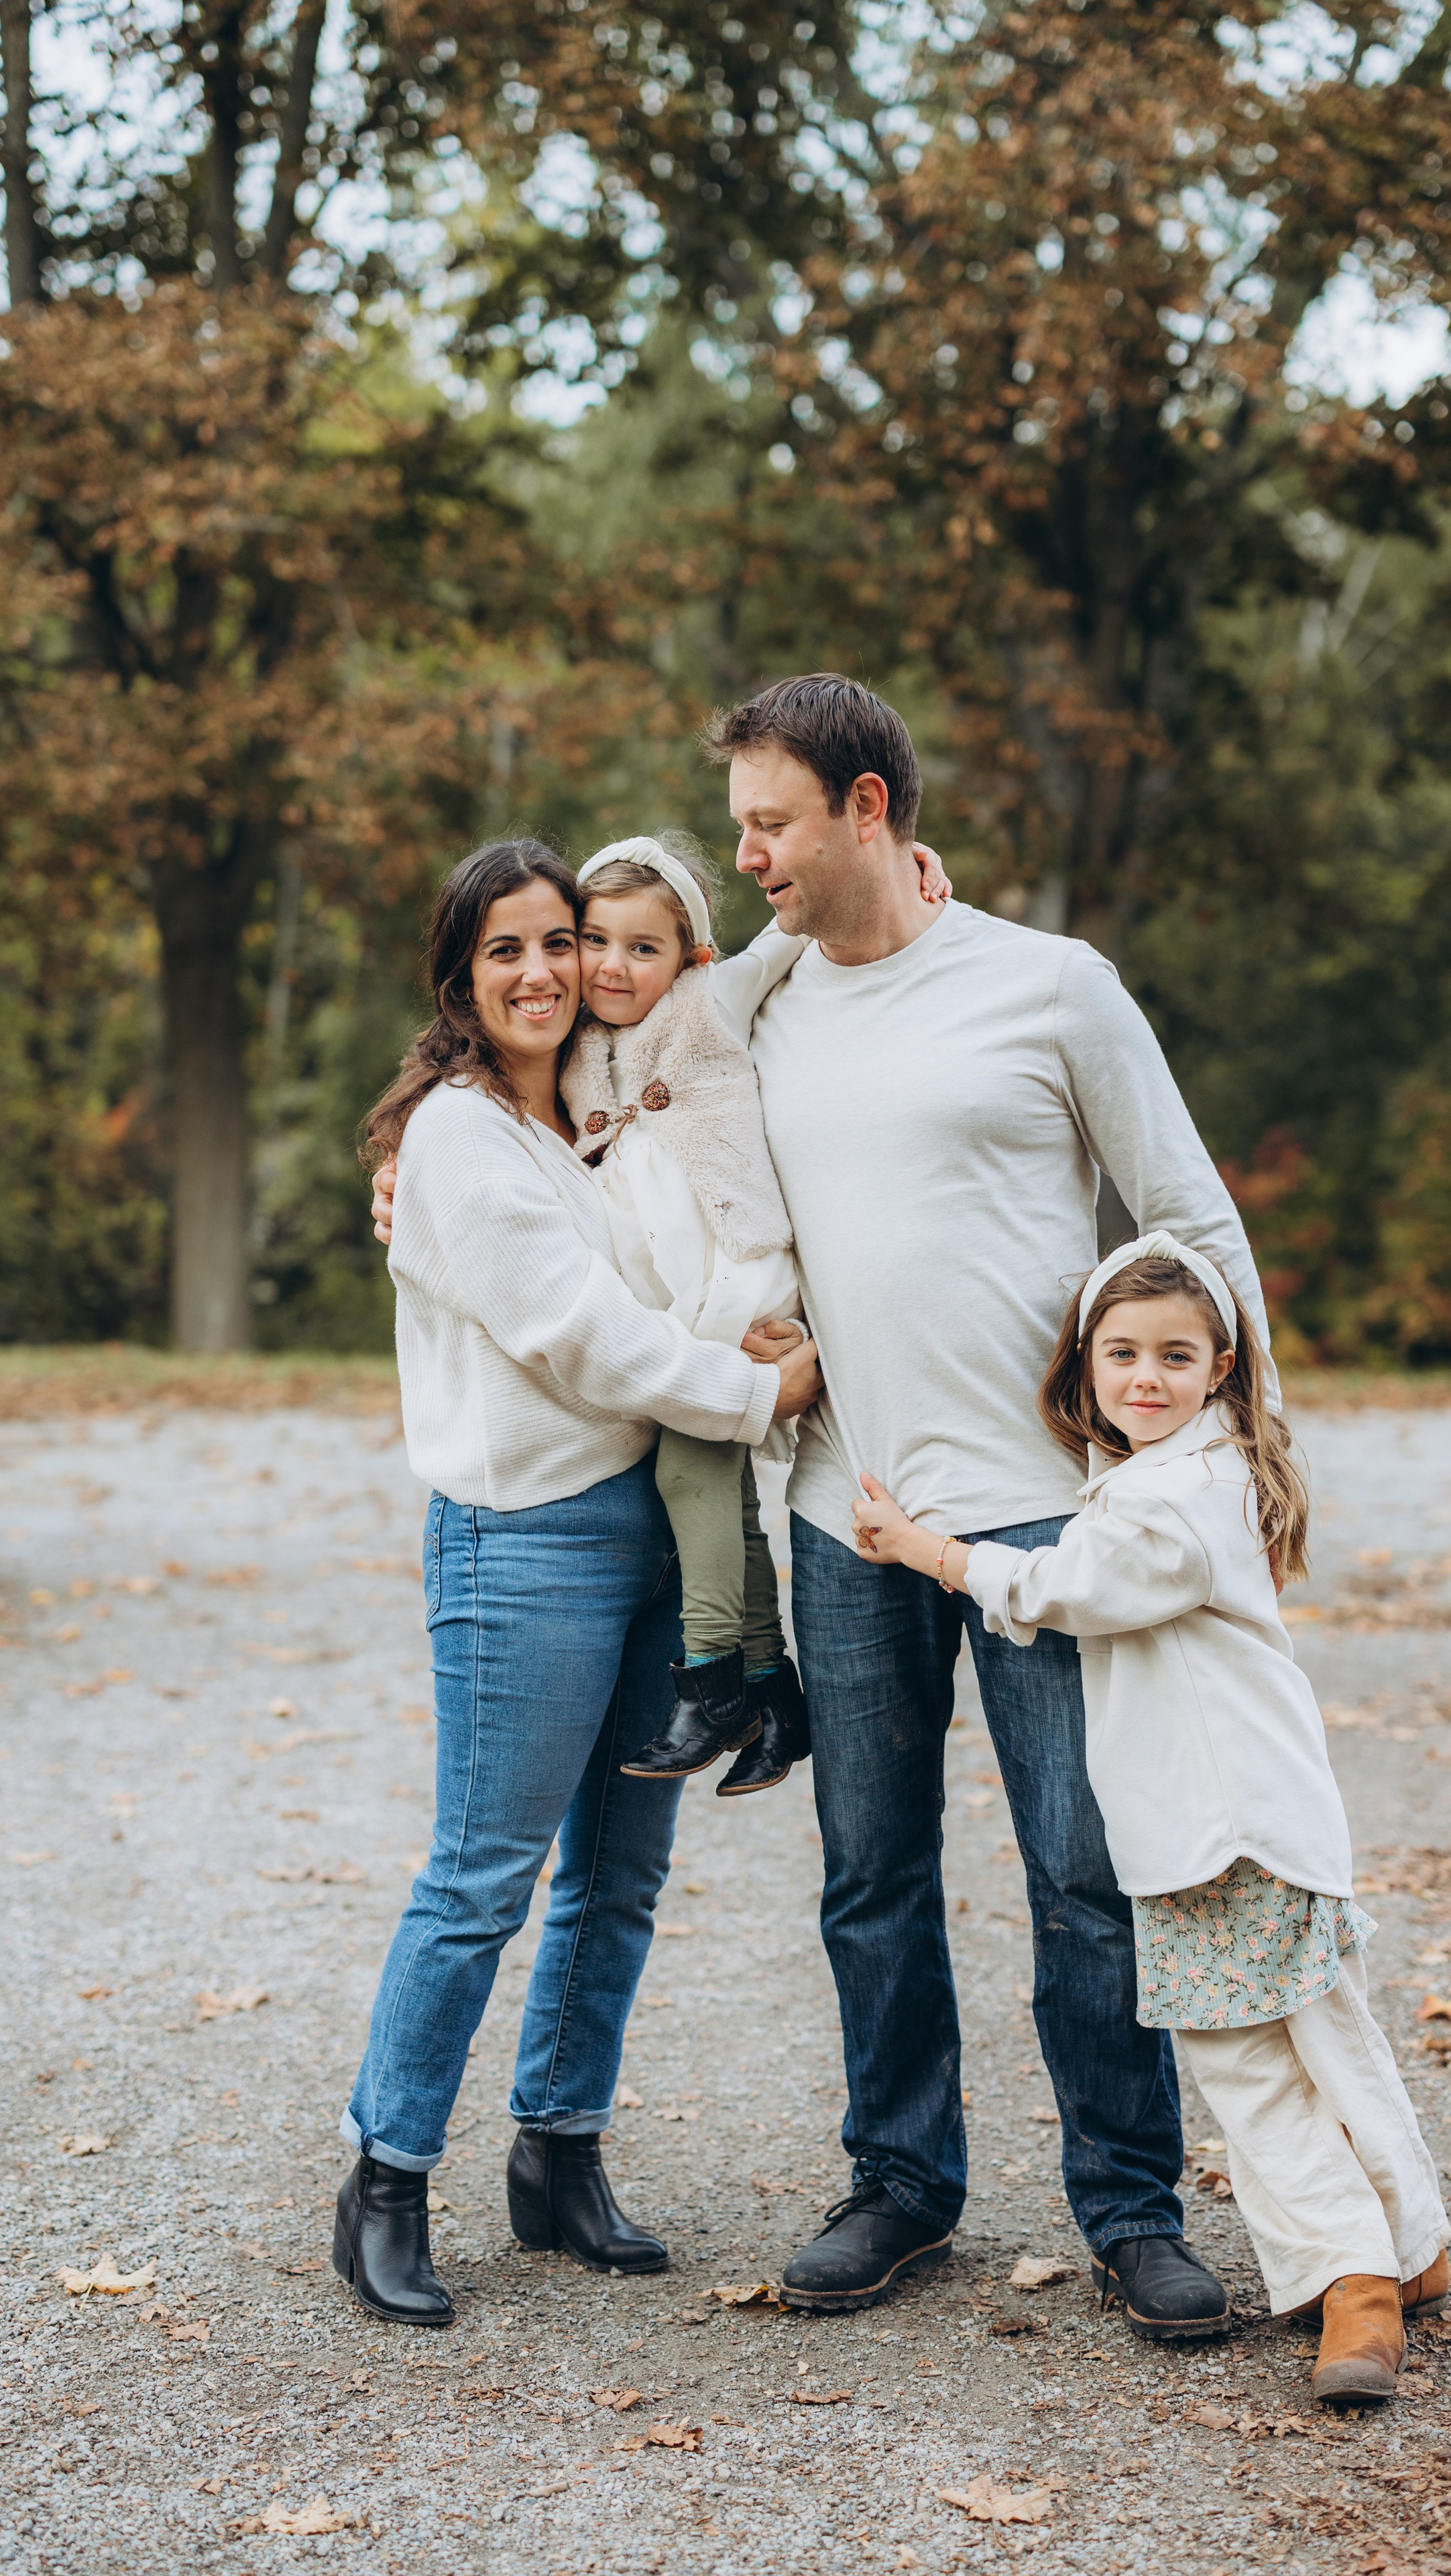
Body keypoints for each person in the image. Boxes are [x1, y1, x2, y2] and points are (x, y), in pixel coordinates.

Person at [376, 675, 1269, 2337]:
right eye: (737, 827)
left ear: (869, 811)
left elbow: (1187, 1216)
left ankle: (1130, 2207)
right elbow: (572, 1075)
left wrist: (1240, 1453)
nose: (745, 855)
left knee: (1082, 1872)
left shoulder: (1049, 985)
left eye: (769, 823)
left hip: (1036, 1515)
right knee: (870, 1872)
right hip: (837, 1511)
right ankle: (900, 2182)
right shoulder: (752, 1006)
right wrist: (413, 1161)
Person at [334, 837, 820, 2325]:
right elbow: (576, 1333)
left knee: (620, 1871)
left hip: (648, 1521)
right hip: (525, 1539)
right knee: (482, 1875)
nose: (548, 971)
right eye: (509, 950)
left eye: (562, 941)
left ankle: (559, 2153)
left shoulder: (591, 1114)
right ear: (460, 978)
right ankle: (386, 2177)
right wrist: (757, 1393)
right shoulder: (460, 1137)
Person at [850, 1233, 1451, 2403]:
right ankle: (1410, 2242)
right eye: (1121, 1352)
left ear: (1221, 1366)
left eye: (1175, 1356)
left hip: (1216, 1832)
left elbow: (1062, 1585)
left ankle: (1356, 2285)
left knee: (1250, 2064)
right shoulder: (1203, 1468)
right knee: (1327, 2039)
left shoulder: (1169, 1499)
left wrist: (929, 1549)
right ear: (1087, 1360)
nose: (1144, 1377)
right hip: (1269, 1819)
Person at [563, 829, 949, 1795]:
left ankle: (710, 1681)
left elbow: (786, 934)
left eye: (643, 947)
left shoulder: (709, 1001)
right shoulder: (575, 1044)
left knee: (689, 1462)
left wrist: (901, 862)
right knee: (723, 1494)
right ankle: (775, 1694)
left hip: (739, 1276)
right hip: (679, 1298)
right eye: (595, 940)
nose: (614, 966)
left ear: (688, 955)